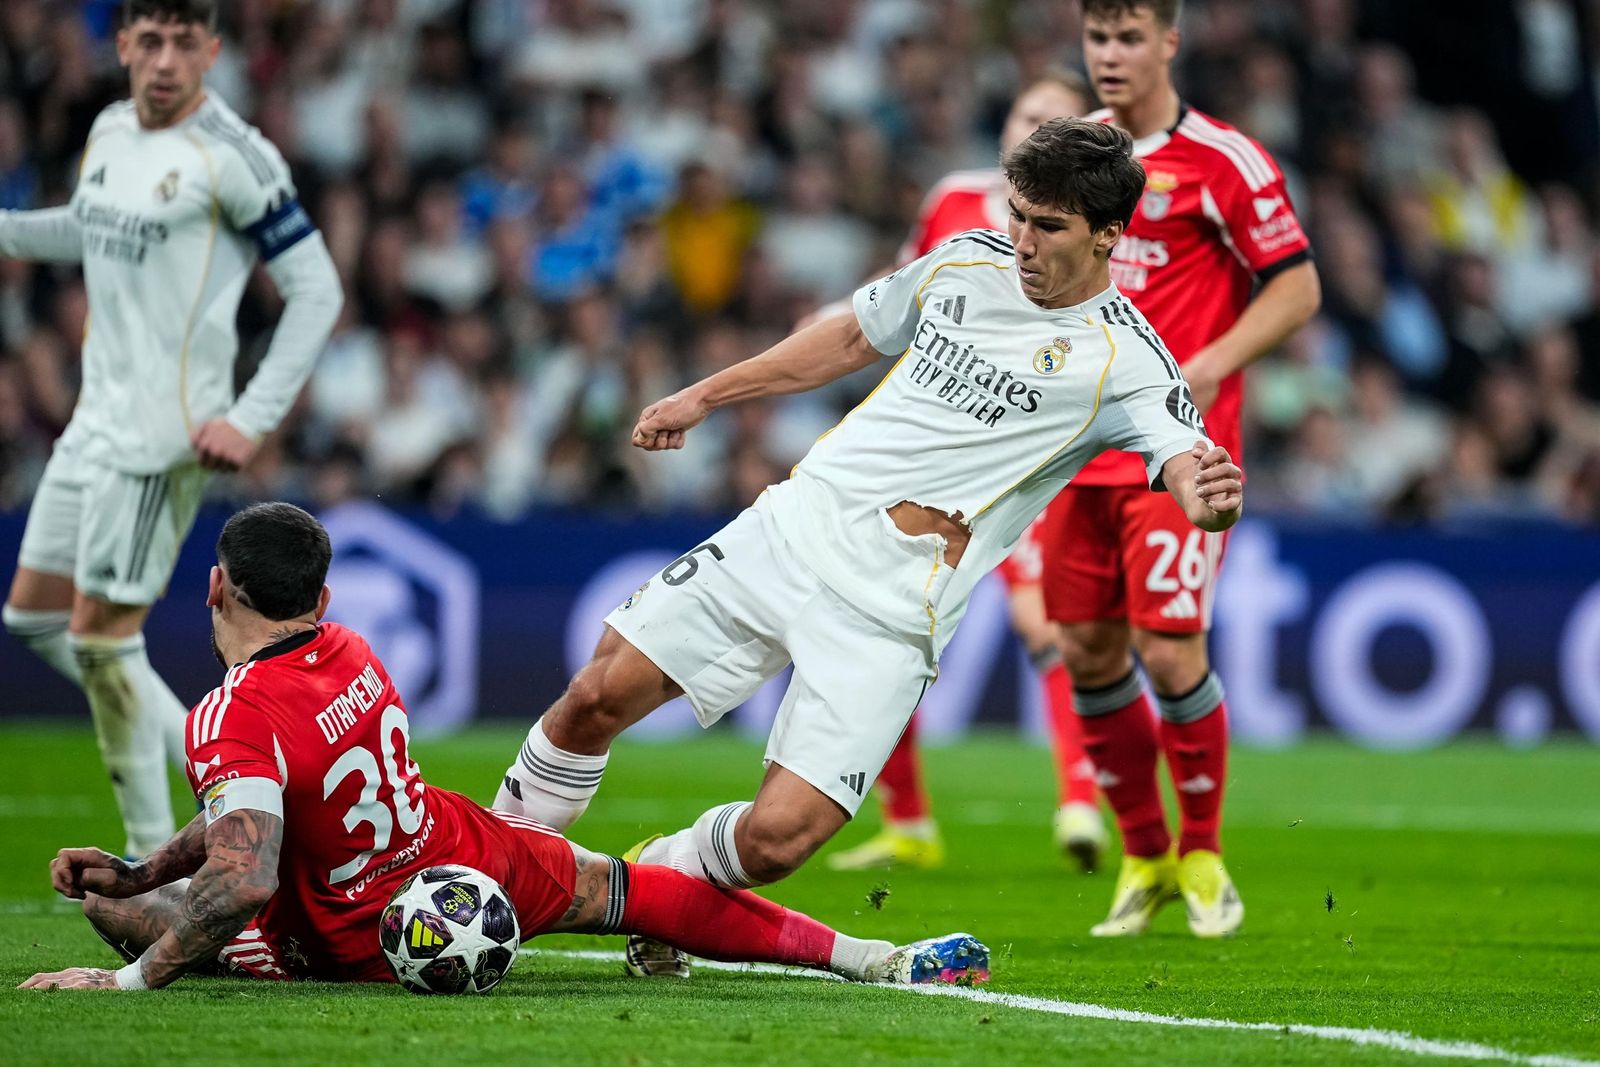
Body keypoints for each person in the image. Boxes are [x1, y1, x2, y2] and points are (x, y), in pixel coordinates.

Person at [492, 118, 1246, 977]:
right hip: (794, 530)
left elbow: (1186, 464)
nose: (1022, 241)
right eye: (1018, 215)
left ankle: (660, 878)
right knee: (598, 691)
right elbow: (853, 335)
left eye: (1048, 226)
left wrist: (1208, 500)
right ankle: (491, 867)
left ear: (1110, 234)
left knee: (778, 841)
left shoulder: (1128, 359)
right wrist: (705, 396)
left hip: (892, 611)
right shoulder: (966, 259)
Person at [18, 503, 988, 991]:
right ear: (319, 599)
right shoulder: (350, 649)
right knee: (631, 890)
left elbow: (247, 871)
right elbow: (254, 814)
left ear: (214, 589)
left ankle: (142, 935)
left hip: (352, 927)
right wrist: (149, 861)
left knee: (122, 912)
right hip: (463, 850)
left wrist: (128, 969)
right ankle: (871, 956)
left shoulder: (227, 715)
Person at [0, 0, 342, 859]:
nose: (164, 60)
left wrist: (251, 417)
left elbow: (317, 289)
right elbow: (90, 227)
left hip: (165, 435)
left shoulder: (234, 156)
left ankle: (156, 862)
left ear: (212, 50)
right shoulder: (113, 129)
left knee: (102, 641)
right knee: (36, 619)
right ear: (121, 45)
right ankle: (215, 752)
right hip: (93, 421)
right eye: (148, 40)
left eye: (184, 43)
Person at [1043, 0, 1321, 939]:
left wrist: (1211, 360)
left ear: (1170, 42)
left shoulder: (1226, 161)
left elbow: (1299, 284)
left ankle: (1203, 852)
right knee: (1085, 649)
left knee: (1168, 650)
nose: (1110, 56)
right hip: (1076, 452)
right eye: (1097, 38)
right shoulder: (1079, 157)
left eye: (1128, 38)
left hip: (1179, 452)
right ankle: (1146, 854)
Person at [828, 69, 1109, 875]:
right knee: (879, 619)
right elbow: (899, 300)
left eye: (1056, 121)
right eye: (1028, 115)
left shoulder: (1091, 230)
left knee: (1042, 622)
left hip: (1023, 460)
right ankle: (908, 820)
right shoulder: (952, 200)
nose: (1036, 130)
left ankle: (1079, 800)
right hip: (929, 452)